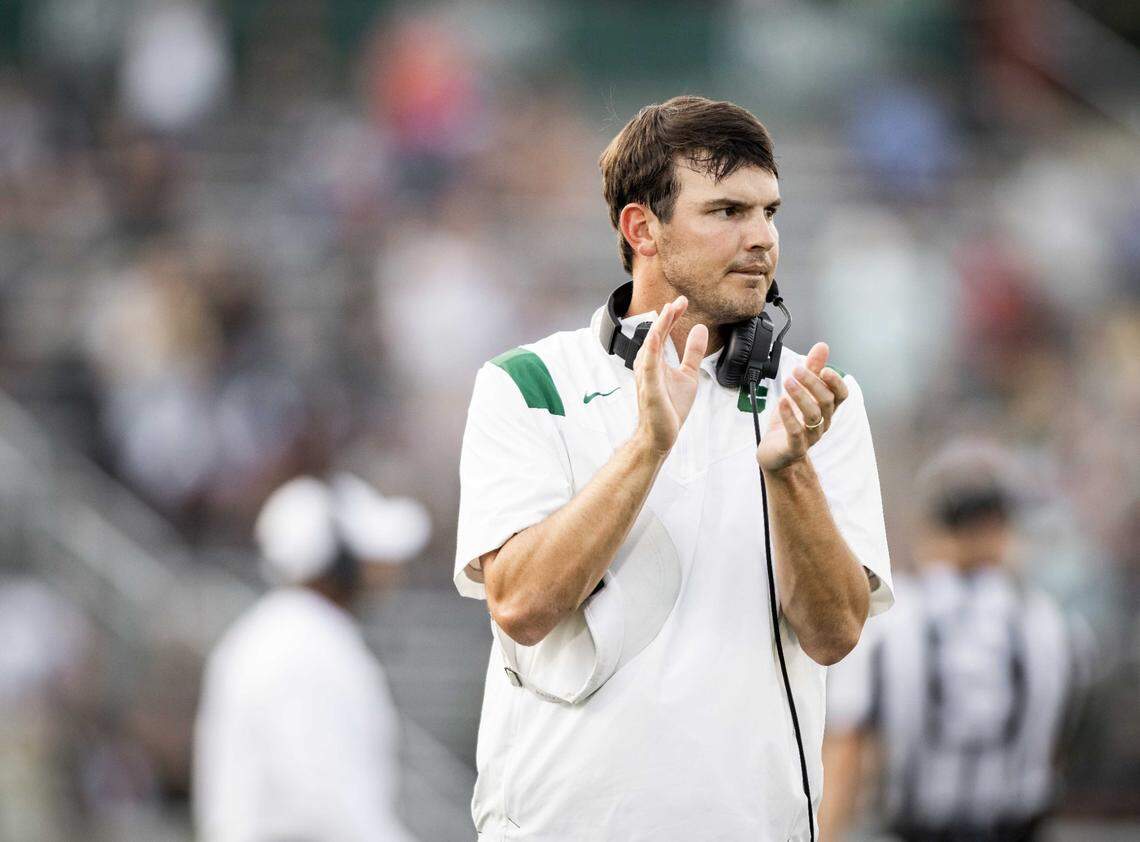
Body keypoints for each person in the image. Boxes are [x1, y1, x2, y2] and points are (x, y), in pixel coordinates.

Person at [454, 95, 894, 841]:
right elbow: (522, 607)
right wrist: (647, 448)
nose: (762, 239)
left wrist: (790, 472)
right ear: (641, 228)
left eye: (769, 211)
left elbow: (833, 634)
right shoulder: (527, 384)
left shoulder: (819, 402)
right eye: (726, 211)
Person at [820, 439, 1090, 842]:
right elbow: (1059, 751)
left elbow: (846, 756)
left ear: (930, 527)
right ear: (1003, 529)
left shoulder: (888, 623)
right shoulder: (1053, 625)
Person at [193, 473, 430, 842]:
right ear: (338, 561)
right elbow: (325, 809)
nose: (385, 572)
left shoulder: (273, 634)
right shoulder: (310, 647)